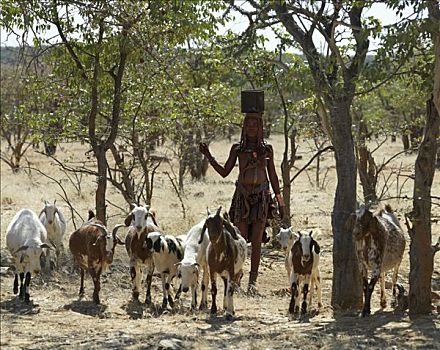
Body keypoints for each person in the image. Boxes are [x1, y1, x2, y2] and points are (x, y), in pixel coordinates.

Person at [199, 111, 285, 294]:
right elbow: (224, 172)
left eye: (255, 125)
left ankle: (252, 284)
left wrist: (280, 200)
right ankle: (236, 279)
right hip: (242, 198)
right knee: (240, 239)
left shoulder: (267, 149)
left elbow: (273, 175)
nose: (252, 128)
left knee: (256, 241)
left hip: (261, 198)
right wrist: (208, 155)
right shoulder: (238, 149)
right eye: (249, 125)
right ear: (244, 128)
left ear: (260, 128)